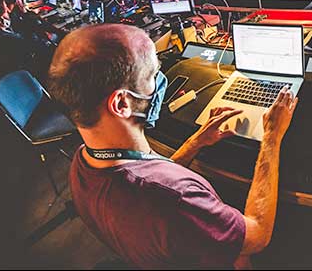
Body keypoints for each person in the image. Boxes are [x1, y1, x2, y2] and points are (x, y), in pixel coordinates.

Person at [48, 24, 297, 268]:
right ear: (121, 104)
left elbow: (150, 178)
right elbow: (257, 235)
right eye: (151, 75)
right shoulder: (177, 200)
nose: (158, 83)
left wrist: (196, 141)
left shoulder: (82, 164)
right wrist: (272, 138)